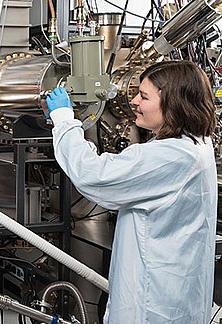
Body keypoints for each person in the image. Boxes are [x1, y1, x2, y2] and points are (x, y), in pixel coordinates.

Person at [45, 60, 217, 323]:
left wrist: (64, 121)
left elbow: (93, 175)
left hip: (152, 302)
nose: (134, 101)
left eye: (144, 96)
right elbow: (114, 171)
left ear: (173, 104)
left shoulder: (170, 157)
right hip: (173, 294)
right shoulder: (194, 145)